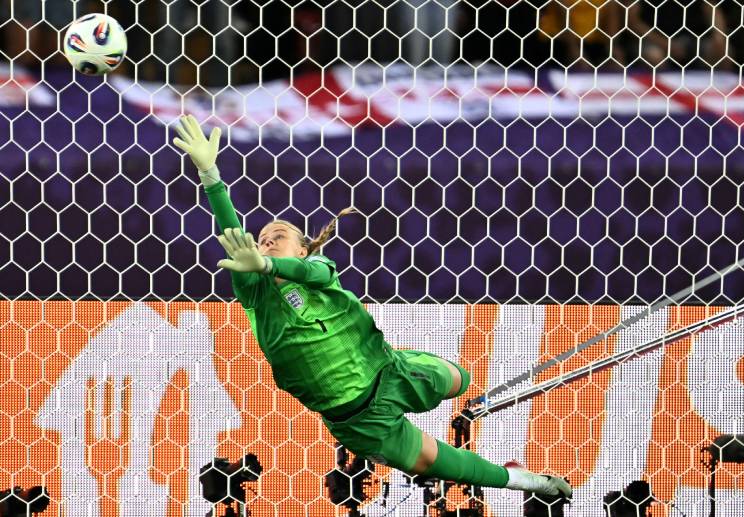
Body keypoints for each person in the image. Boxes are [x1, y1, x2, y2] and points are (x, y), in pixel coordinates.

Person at [172, 114, 573, 499]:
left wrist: (268, 264)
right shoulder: (256, 292)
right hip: (357, 421)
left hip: (389, 373)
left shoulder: (319, 270)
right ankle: (529, 481)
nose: (267, 242)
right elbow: (232, 232)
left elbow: (307, 271)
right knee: (440, 464)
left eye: (278, 236)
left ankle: (417, 365)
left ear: (304, 248)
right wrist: (210, 175)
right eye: (262, 240)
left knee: (459, 381)